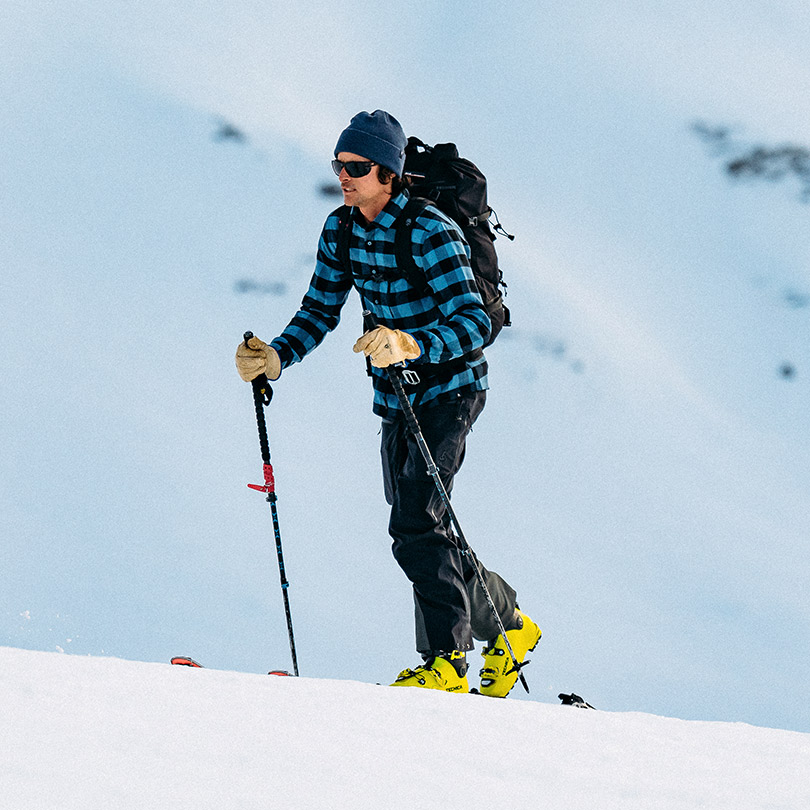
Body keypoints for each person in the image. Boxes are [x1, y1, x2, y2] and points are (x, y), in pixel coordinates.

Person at [235, 110, 540, 696]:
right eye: (339, 165)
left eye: (356, 167)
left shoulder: (430, 232)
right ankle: (510, 628)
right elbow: (321, 309)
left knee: (415, 522)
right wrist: (277, 355)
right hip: (394, 398)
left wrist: (412, 343)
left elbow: (476, 322)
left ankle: (446, 661)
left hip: (451, 390)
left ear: (389, 173)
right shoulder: (341, 230)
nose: (344, 177)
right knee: (425, 527)